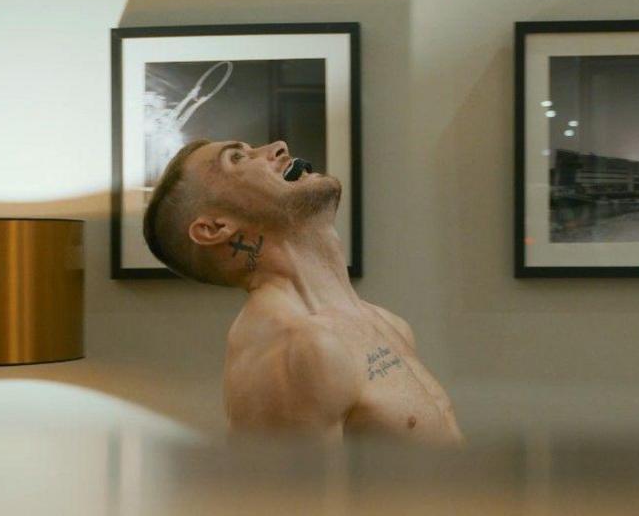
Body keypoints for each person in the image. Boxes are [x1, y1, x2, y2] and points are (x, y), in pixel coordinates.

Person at [143, 139, 464, 446]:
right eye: (237, 158)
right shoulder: (291, 350)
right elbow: (288, 505)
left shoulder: (388, 323)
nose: (278, 146)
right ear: (214, 228)